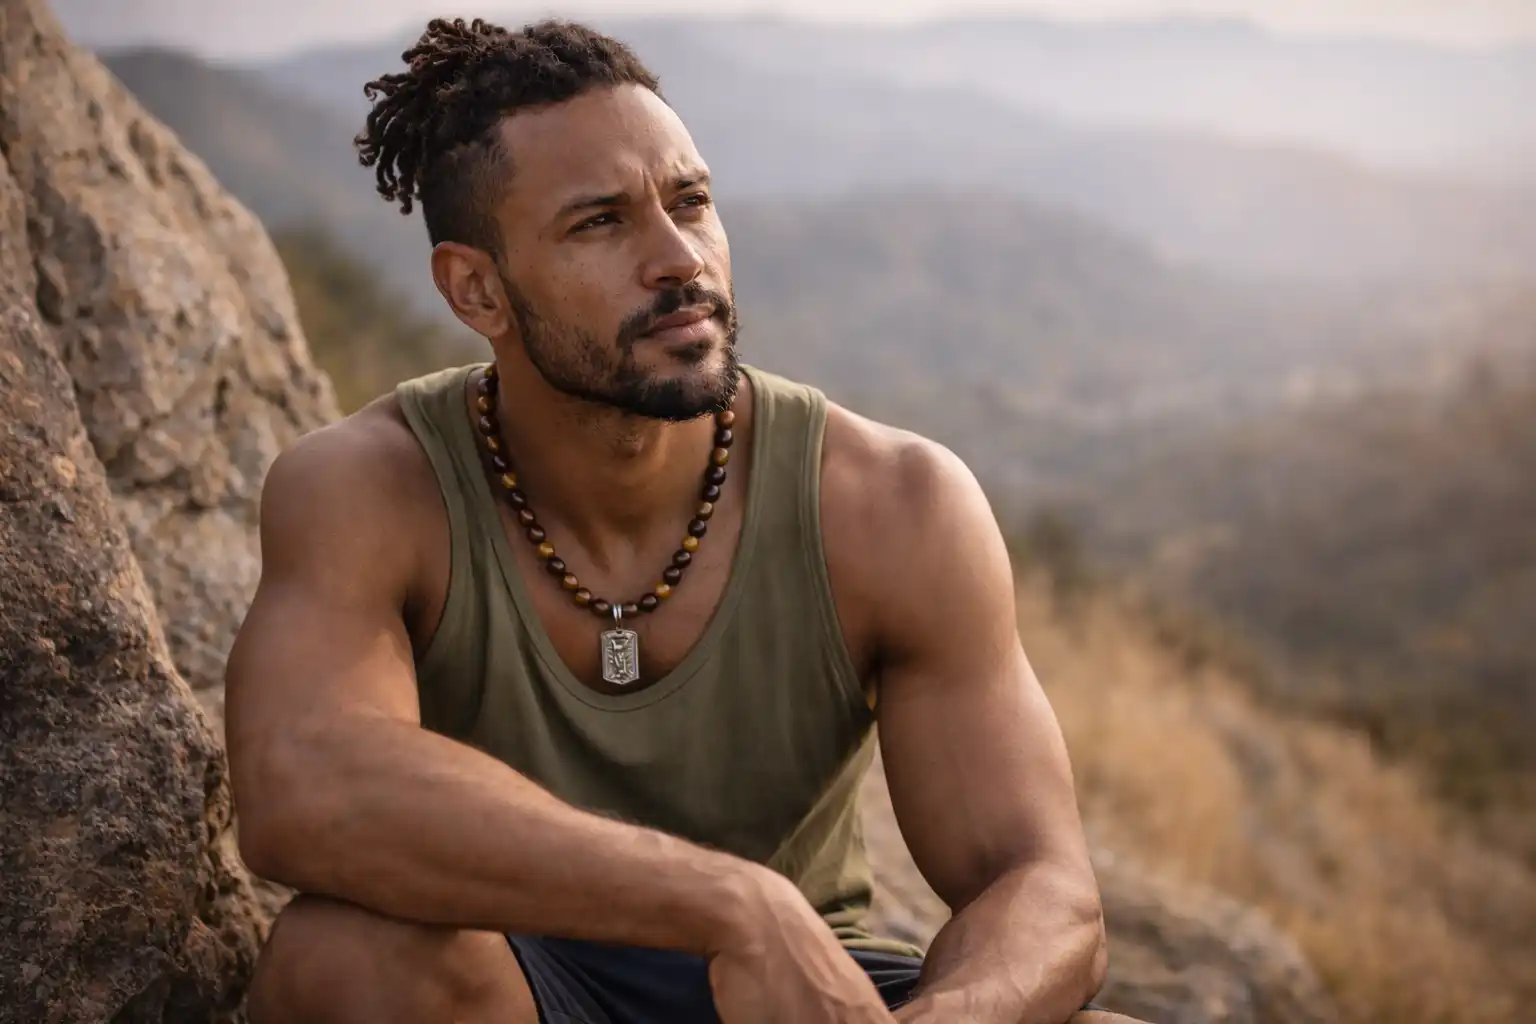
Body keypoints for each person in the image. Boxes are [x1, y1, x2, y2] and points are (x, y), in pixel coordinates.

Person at [226, 16, 1137, 1024]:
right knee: (345, 960)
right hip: (514, 979)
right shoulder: (368, 487)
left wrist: (948, 1017)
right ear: (476, 287)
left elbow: (1044, 886)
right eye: (599, 223)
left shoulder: (892, 504)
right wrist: (729, 903)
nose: (678, 258)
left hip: (802, 990)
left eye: (691, 203)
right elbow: (302, 781)